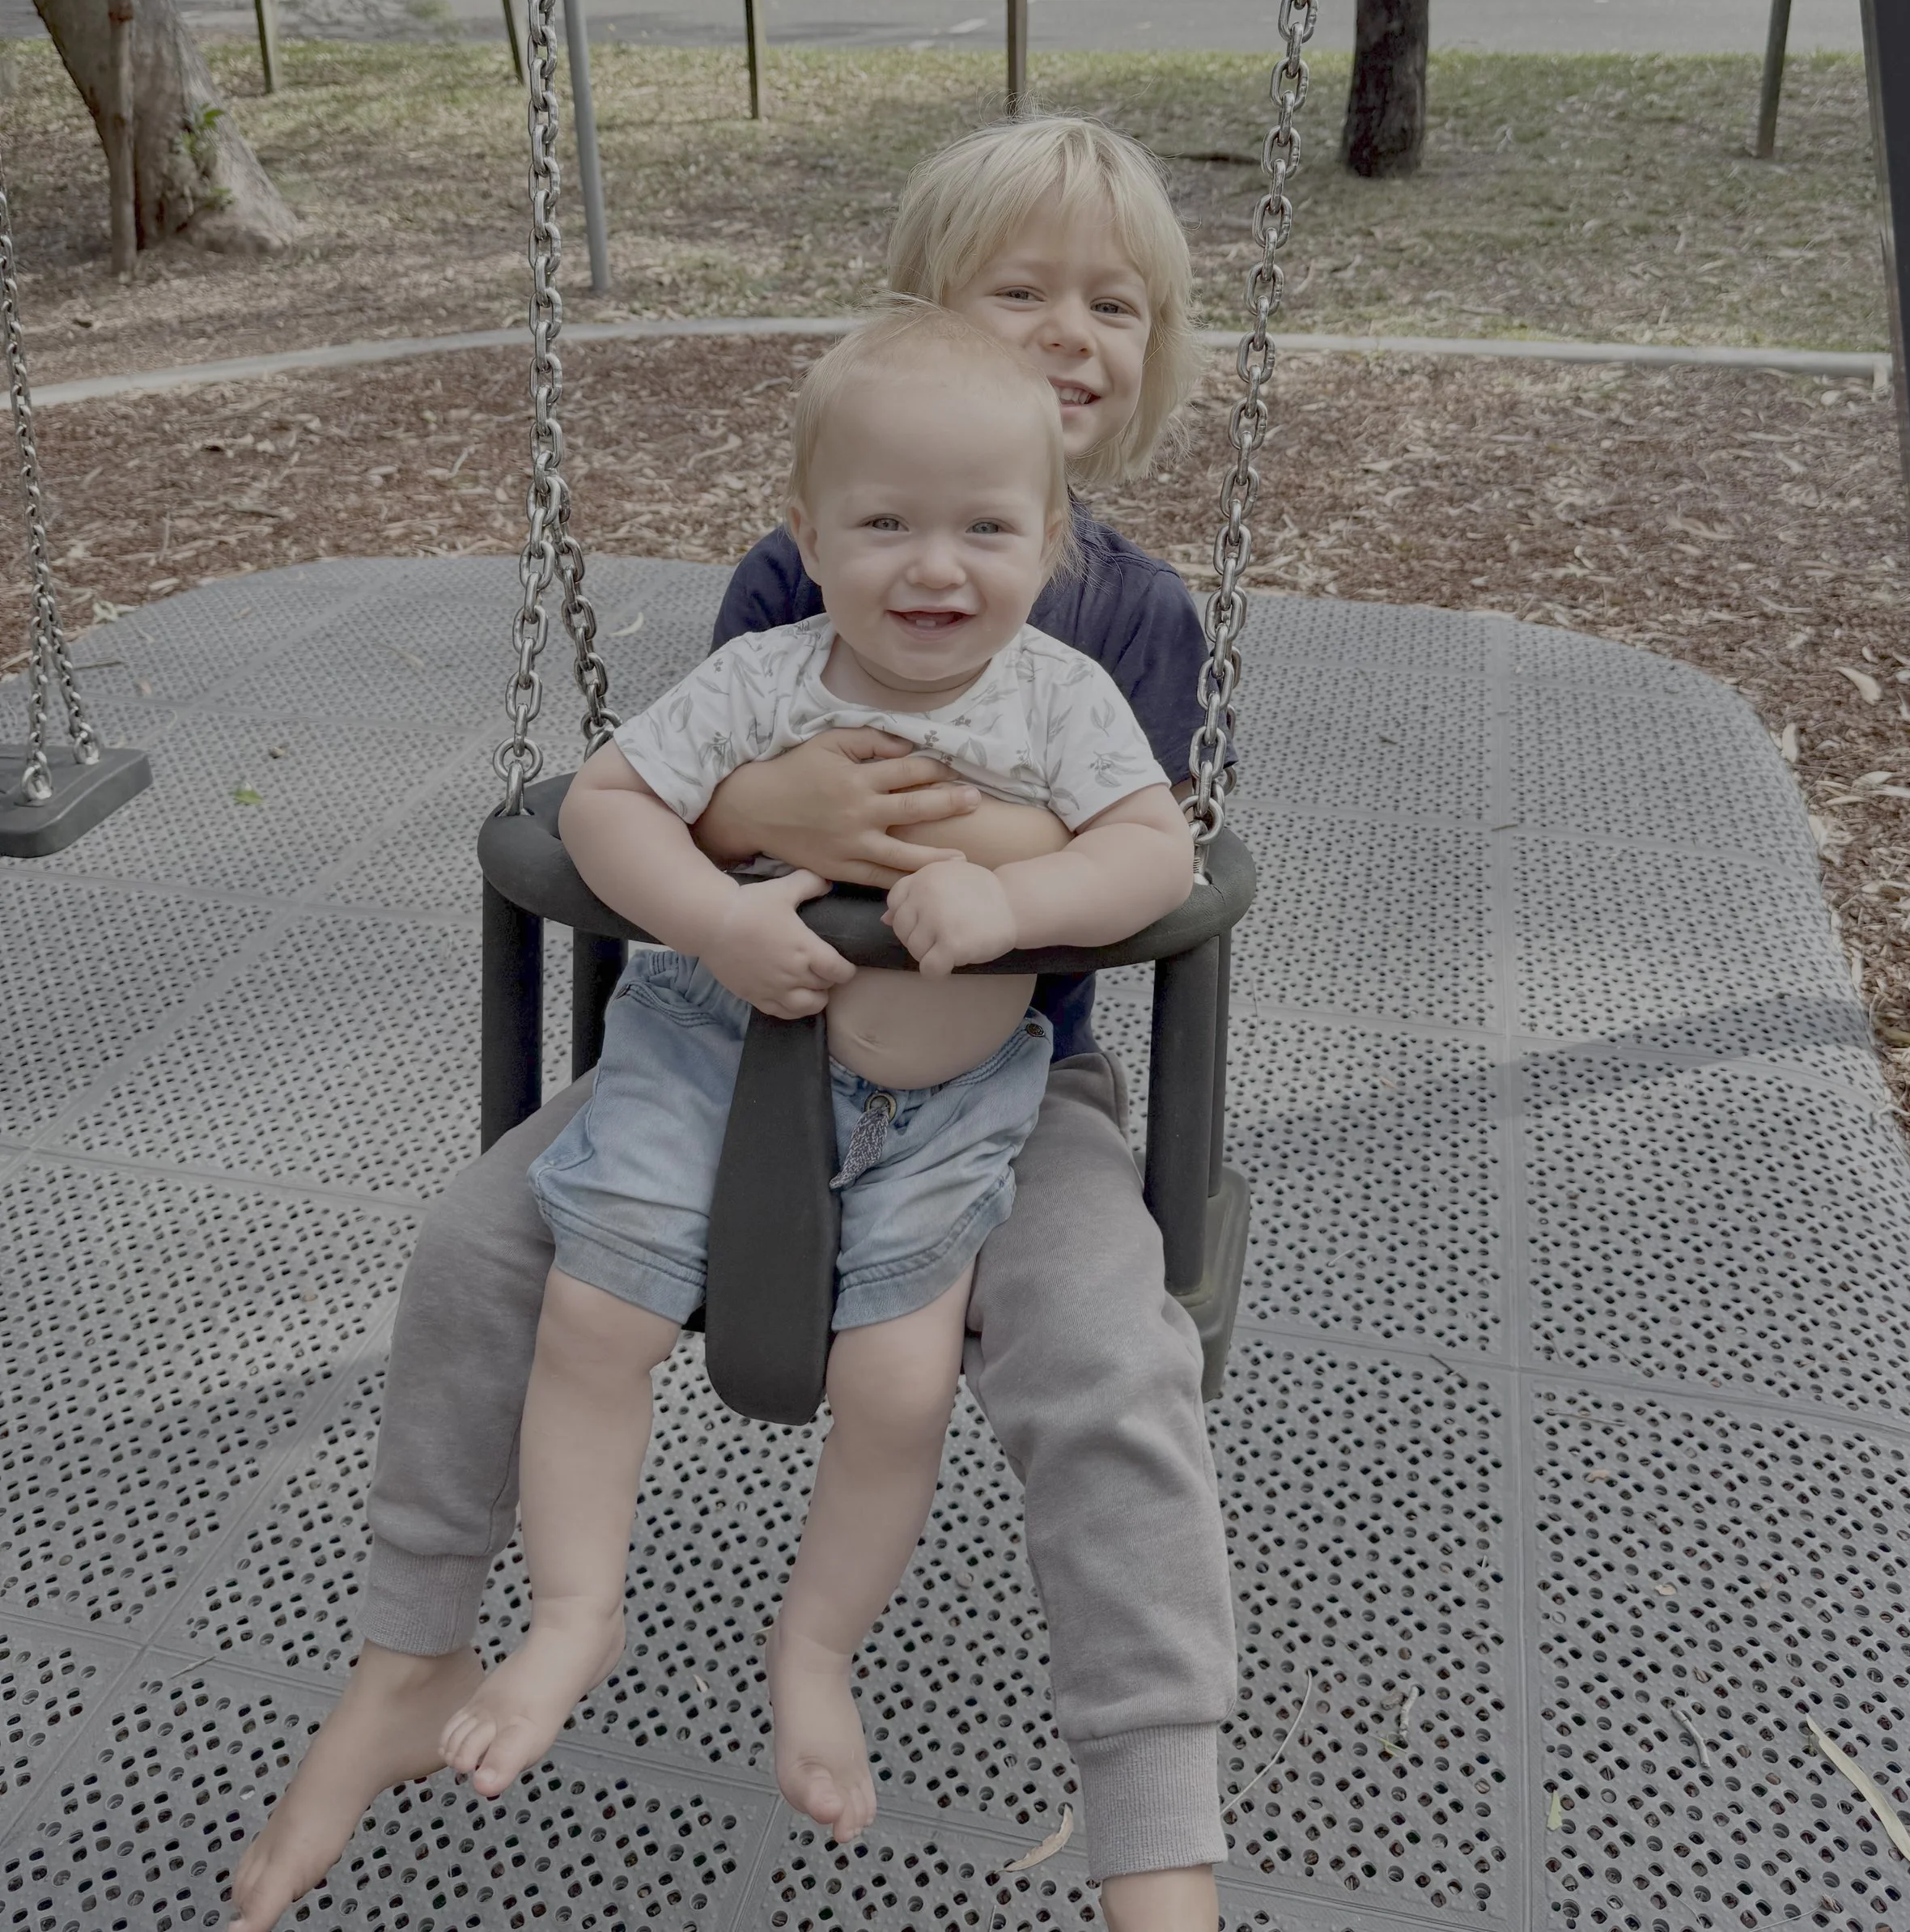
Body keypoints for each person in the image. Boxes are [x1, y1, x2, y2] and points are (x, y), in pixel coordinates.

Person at [228, 117, 1241, 1932]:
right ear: (913, 322)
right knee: (477, 1246)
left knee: (1108, 1348)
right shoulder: (802, 576)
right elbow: (694, 799)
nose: (1066, 332)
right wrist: (765, 831)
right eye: (1015, 291)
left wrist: (960, 854)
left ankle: (1151, 1828)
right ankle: (407, 1659)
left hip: (1008, 1075)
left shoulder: (1135, 613)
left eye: (1115, 303)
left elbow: (1143, 849)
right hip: (726, 1037)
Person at [439, 303, 1198, 1832]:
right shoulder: (768, 678)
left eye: (986, 527)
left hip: (948, 1101)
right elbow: (604, 808)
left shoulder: (1060, 696)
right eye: (885, 525)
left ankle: (814, 1649)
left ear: (1048, 541)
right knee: (593, 1315)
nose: (935, 566)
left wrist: (1011, 907)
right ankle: (576, 1613)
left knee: (900, 1385)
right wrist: (717, 920)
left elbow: (1155, 855)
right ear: (810, 534)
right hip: (720, 1049)